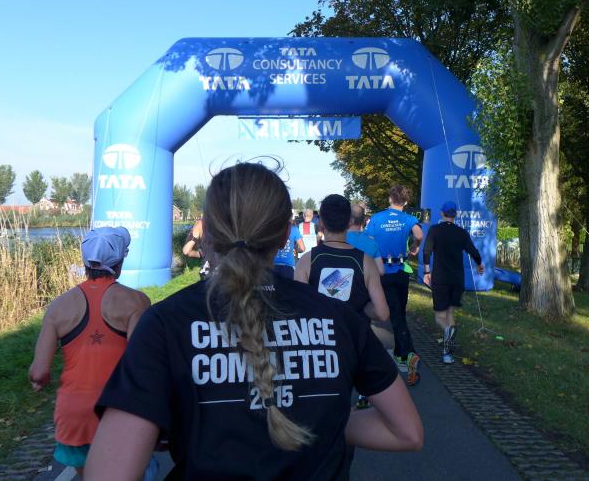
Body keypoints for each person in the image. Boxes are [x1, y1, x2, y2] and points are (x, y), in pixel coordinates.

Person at [85, 163, 423, 480]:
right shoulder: (340, 319)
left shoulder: (164, 324)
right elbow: (406, 432)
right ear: (284, 234)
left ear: (208, 233)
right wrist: (324, 420)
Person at [28, 227, 151, 478]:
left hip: (75, 413)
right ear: (120, 262)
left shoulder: (58, 307)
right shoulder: (137, 302)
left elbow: (39, 371)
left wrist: (38, 381)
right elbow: (141, 364)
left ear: (85, 262)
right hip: (119, 409)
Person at [295, 194, 389, 322]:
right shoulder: (367, 262)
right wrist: (360, 309)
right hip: (355, 333)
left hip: (320, 332)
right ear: (350, 222)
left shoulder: (306, 261)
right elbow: (382, 313)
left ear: (321, 222)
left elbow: (300, 307)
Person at [366, 185, 424, 386]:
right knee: (400, 313)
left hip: (383, 271)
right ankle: (402, 352)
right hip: (401, 272)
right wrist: (415, 246)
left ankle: (408, 353)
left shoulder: (377, 218)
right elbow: (419, 234)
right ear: (406, 202)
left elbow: (369, 242)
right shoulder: (408, 219)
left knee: (395, 316)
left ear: (390, 199)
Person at [422, 201, 484, 364]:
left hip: (440, 279)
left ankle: (448, 333)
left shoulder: (434, 230)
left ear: (442, 213)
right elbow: (473, 251)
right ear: (455, 215)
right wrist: (480, 264)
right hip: (457, 280)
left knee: (439, 317)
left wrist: (427, 272)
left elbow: (426, 251)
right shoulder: (462, 233)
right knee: (449, 313)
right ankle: (447, 353)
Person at [347, 203, 384, 275]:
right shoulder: (372, 243)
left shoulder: (338, 240)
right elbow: (381, 271)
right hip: (364, 280)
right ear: (363, 220)